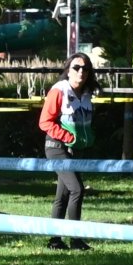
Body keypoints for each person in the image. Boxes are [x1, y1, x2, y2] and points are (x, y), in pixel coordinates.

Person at [38, 54, 97, 250]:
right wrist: (68, 138)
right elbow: (45, 122)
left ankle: (54, 241)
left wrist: (86, 138)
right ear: (68, 70)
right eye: (77, 67)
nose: (81, 71)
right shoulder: (58, 91)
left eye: (85, 69)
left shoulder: (87, 94)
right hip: (56, 149)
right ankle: (76, 239)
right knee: (77, 190)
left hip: (76, 151)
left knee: (62, 196)